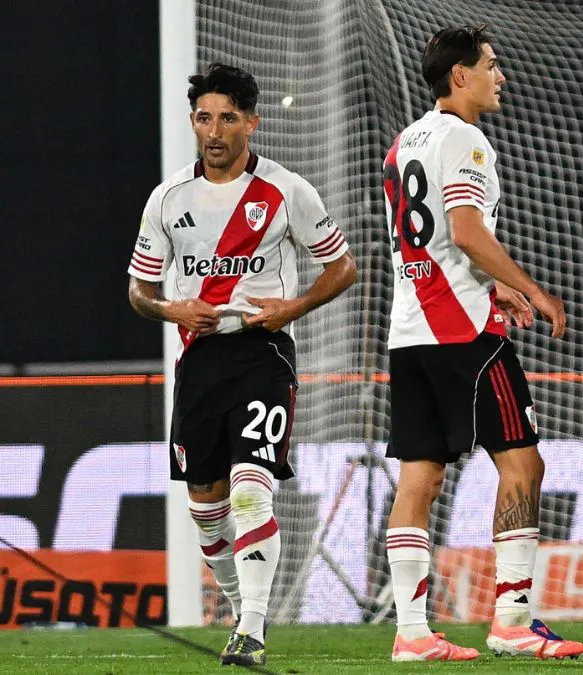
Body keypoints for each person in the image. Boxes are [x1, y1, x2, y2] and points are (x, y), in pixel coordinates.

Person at [127, 63, 358, 667]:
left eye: (228, 118)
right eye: (205, 118)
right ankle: (239, 610)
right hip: (199, 360)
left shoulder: (286, 190)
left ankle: (252, 627)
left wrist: (292, 307)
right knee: (207, 510)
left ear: (251, 123)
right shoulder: (167, 199)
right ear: (193, 122)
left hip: (262, 353)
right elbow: (138, 290)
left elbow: (342, 266)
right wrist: (172, 308)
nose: (215, 131)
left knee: (252, 490)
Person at [380, 24, 583, 663]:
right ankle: (512, 621)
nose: (501, 76)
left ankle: (412, 634)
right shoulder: (465, 138)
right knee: (523, 464)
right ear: (460, 75)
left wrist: (495, 286)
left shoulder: (404, 143)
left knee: (419, 477)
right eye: (491, 65)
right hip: (463, 332)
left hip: (410, 330)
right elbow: (465, 231)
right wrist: (531, 288)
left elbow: (430, 243)